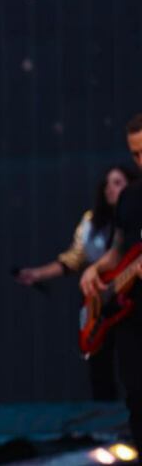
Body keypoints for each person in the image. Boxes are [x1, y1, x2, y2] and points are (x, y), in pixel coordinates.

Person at [16, 165, 138, 401]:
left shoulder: (134, 216)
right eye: (107, 184)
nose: (111, 189)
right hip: (101, 295)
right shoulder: (92, 223)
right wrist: (38, 274)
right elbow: (74, 258)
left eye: (118, 183)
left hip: (132, 293)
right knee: (100, 362)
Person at [81, 114, 142, 455]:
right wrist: (96, 268)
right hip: (130, 309)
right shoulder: (130, 196)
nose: (141, 160)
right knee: (135, 393)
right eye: (135, 154)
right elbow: (121, 246)